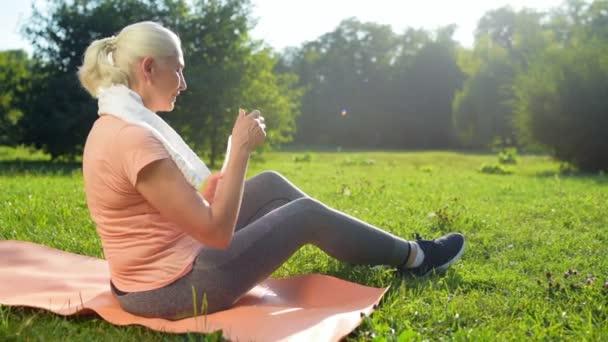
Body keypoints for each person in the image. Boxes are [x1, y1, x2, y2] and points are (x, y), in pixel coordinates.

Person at [78, 21, 465, 321]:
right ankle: (417, 258)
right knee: (306, 215)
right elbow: (215, 232)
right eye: (177, 71)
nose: (183, 83)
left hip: (154, 274)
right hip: (172, 288)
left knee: (270, 185)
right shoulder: (134, 139)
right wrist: (242, 150)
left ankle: (354, 243)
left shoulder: (113, 123)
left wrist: (222, 176)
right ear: (148, 67)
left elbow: (167, 209)